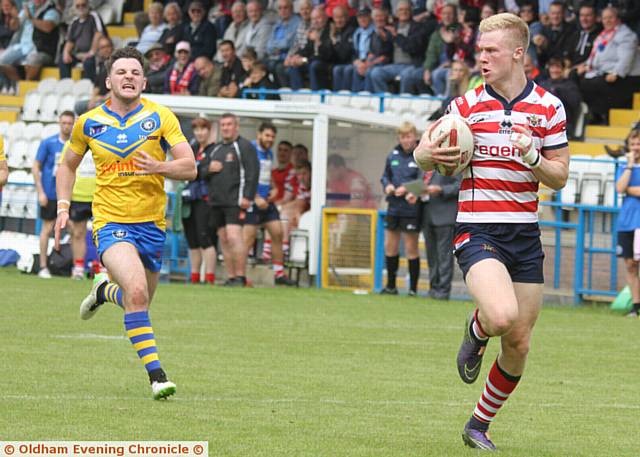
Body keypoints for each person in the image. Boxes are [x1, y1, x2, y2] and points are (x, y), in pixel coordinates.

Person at [413, 13, 569, 450]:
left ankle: (477, 425)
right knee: (501, 317)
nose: (481, 58)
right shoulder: (465, 106)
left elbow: (559, 177)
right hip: (478, 227)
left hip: (525, 233)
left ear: (518, 53)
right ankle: (477, 331)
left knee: (519, 341)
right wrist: (427, 151)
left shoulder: (548, 107)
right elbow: (424, 153)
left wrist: (534, 157)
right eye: (480, 51)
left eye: (491, 51)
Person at [54, 46, 196, 400]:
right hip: (110, 221)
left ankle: (103, 291)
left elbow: (190, 167)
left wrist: (160, 167)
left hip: (152, 224)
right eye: (121, 72)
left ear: (144, 81)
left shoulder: (161, 117)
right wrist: (62, 206)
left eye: (135, 72)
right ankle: (157, 377)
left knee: (140, 301)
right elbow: (67, 166)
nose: (129, 77)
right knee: (135, 292)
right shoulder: (88, 122)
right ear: (108, 81)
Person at [199, 113, 259, 287]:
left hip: (236, 201)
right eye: (223, 125)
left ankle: (241, 276)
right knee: (223, 239)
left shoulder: (244, 147)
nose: (226, 128)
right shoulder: (216, 149)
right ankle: (231, 276)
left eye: (229, 124)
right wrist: (208, 168)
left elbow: (252, 173)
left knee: (234, 237)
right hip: (217, 201)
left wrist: (247, 196)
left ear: (236, 126)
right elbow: (201, 171)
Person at [244, 122, 296, 286]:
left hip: (266, 200)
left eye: (273, 136)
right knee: (248, 238)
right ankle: (240, 275)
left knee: (277, 232)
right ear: (259, 134)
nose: (270, 139)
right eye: (267, 135)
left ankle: (279, 274)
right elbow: (243, 176)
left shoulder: (268, 154)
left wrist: (273, 189)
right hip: (252, 200)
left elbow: (266, 175)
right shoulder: (250, 150)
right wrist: (255, 197)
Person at [578, 6, 640, 125]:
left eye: (610, 18)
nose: (607, 21)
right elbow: (597, 57)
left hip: (628, 77)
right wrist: (586, 66)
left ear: (617, 19)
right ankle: (597, 114)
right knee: (577, 77)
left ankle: (600, 115)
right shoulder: (604, 35)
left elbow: (626, 58)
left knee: (592, 84)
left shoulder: (626, 34)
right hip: (607, 73)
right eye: (605, 18)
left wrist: (616, 73)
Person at [380, 121, 421, 296]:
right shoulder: (392, 155)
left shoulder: (421, 155)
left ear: (415, 136)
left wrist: (407, 188)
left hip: (411, 208)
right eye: (402, 137)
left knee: (411, 247)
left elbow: (424, 181)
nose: (405, 140)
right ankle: (391, 286)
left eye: (408, 136)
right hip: (394, 207)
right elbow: (384, 177)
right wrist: (388, 186)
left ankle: (412, 289)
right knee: (390, 245)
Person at [32, 111, 75, 279]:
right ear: (59, 123)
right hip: (50, 193)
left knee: (74, 228)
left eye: (69, 123)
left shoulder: (75, 144)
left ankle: (72, 265)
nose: (66, 126)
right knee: (47, 229)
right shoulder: (48, 143)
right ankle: (43, 266)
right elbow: (36, 167)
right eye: (63, 122)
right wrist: (40, 191)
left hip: (69, 194)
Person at [183, 117, 217, 285]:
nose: (200, 133)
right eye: (197, 130)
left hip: (205, 200)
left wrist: (199, 170)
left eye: (203, 129)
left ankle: (209, 277)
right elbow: (188, 169)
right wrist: (202, 169)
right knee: (192, 240)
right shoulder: (192, 147)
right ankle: (195, 277)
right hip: (189, 199)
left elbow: (208, 170)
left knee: (205, 238)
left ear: (209, 131)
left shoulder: (214, 149)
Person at [420, 169, 461, 300]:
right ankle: (433, 288)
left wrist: (441, 189)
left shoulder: (451, 166)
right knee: (432, 256)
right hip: (426, 216)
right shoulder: (424, 165)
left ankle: (443, 290)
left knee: (444, 256)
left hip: (445, 216)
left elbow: (459, 185)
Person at [615, 129, 640, 318]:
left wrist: (629, 189)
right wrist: (630, 165)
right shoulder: (624, 166)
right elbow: (620, 188)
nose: (636, 148)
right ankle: (636, 307)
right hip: (626, 223)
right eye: (633, 144)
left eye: (638, 144)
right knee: (630, 265)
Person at [59, 0, 106, 79]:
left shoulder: (94, 16)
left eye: (83, 5)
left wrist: (91, 52)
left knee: (89, 62)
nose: (81, 7)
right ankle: (66, 86)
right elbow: (70, 41)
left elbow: (99, 34)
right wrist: (66, 53)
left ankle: (90, 86)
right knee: (63, 60)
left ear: (88, 5)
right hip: (79, 54)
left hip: (94, 54)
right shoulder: (74, 21)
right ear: (74, 7)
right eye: (78, 6)